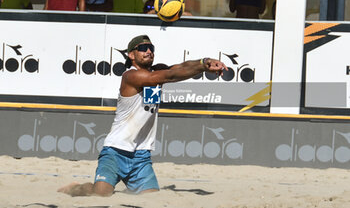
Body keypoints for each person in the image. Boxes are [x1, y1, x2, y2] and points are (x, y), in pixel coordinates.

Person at [57, 35, 227, 196]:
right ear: (131, 54)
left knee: (151, 198)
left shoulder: (156, 72)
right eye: (143, 48)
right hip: (115, 151)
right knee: (100, 195)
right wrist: (202, 66)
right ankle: (75, 188)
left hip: (141, 156)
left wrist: (204, 62)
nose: (149, 51)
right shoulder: (131, 76)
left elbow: (181, 67)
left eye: (151, 48)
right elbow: (170, 75)